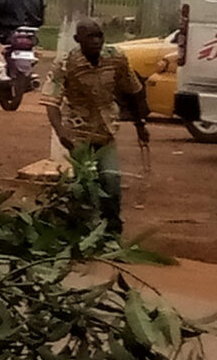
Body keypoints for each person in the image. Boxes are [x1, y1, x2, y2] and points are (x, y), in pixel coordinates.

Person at [48, 19, 149, 232]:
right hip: (78, 132)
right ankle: (80, 230)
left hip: (105, 131)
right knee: (84, 186)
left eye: (99, 36)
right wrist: (61, 133)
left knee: (111, 181)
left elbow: (134, 90)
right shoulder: (66, 65)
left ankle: (112, 233)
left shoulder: (116, 59)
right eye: (90, 37)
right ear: (78, 40)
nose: (96, 41)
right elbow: (51, 103)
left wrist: (140, 124)